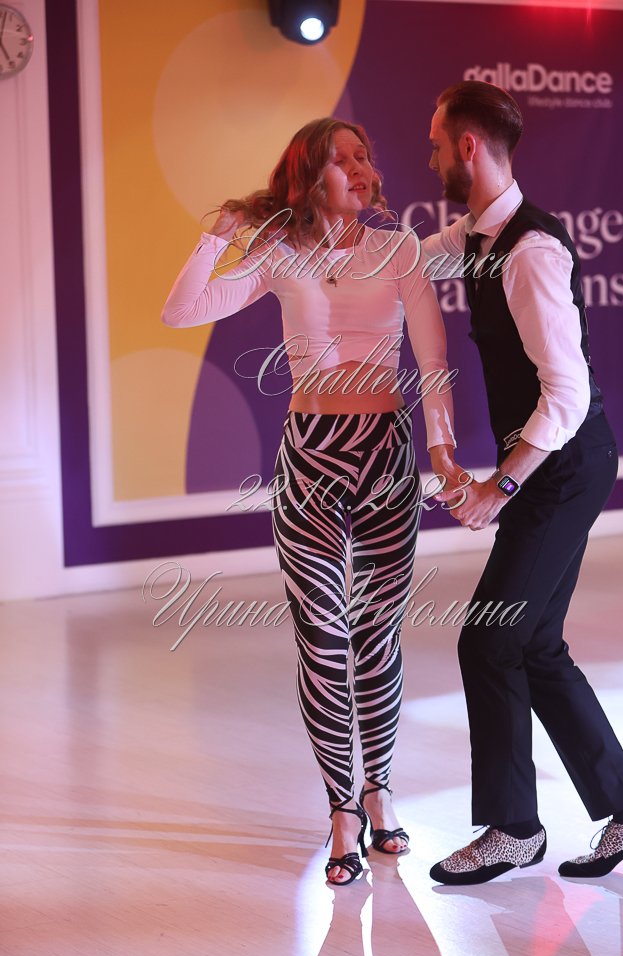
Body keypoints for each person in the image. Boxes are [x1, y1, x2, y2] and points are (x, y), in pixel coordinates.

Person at [162, 117, 463, 885]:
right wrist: (222, 233)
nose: (361, 168)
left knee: (376, 637)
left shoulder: (398, 248)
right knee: (323, 643)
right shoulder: (280, 253)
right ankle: (341, 810)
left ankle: (380, 787)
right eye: (342, 158)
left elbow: (432, 354)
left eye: (365, 156)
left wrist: (441, 449)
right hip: (309, 458)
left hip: (386, 454)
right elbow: (181, 310)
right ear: (308, 174)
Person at [422, 81, 623, 886]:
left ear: (468, 147)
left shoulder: (529, 252)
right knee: (531, 641)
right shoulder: (478, 236)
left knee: (490, 636)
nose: (429, 156)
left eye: (436, 143)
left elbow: (567, 395)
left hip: (564, 466)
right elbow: (409, 262)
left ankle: (512, 829)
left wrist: (500, 486)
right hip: (559, 464)